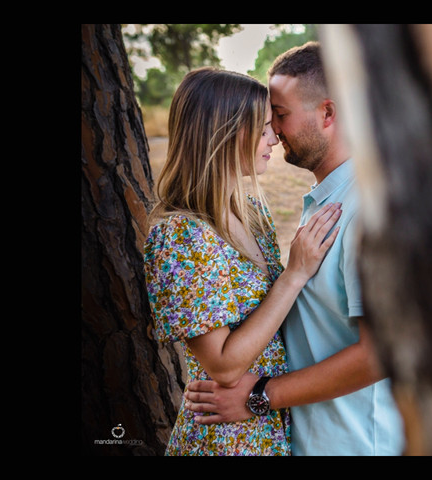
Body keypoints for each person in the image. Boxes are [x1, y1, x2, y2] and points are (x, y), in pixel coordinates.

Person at [184, 42, 406, 455]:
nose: (272, 131)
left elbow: (381, 353)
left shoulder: (368, 211)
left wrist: (263, 395)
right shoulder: (327, 201)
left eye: (279, 116)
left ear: (328, 112)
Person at [143, 66, 342, 456]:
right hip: (225, 440)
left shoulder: (253, 212)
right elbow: (223, 366)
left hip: (268, 427)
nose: (275, 137)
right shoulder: (180, 235)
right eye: (264, 126)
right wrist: (294, 274)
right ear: (227, 131)